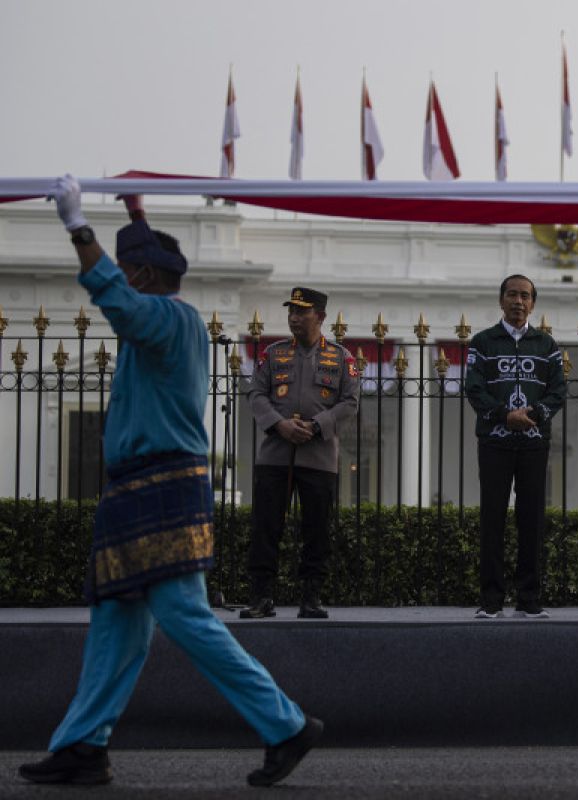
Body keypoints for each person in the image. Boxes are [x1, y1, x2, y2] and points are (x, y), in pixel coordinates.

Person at [19, 176, 321, 788]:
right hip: (139, 486)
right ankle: (82, 743)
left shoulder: (167, 319)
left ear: (147, 277)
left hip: (161, 483)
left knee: (184, 614)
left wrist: (79, 228)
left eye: (127, 269)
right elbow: (127, 293)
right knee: (117, 615)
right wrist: (125, 218)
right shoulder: (159, 317)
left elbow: (118, 302)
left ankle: (284, 723)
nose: (119, 278)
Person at [242, 287, 360, 620]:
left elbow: (350, 402)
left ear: (320, 317)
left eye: (301, 312)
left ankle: (311, 597)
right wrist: (279, 424)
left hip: (319, 456)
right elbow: (256, 394)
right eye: (291, 311)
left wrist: (318, 424)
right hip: (275, 454)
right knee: (266, 527)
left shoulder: (341, 358)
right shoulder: (273, 354)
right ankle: (261, 597)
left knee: (316, 530)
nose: (294, 317)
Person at [465, 274, 566, 619]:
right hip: (495, 443)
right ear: (501, 300)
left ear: (533, 303)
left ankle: (529, 598)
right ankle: (491, 600)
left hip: (535, 445)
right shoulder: (482, 342)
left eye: (525, 296)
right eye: (512, 294)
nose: (518, 301)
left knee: (532, 520)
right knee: (492, 519)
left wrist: (534, 414)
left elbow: (558, 391)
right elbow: (474, 389)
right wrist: (505, 416)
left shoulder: (546, 345)